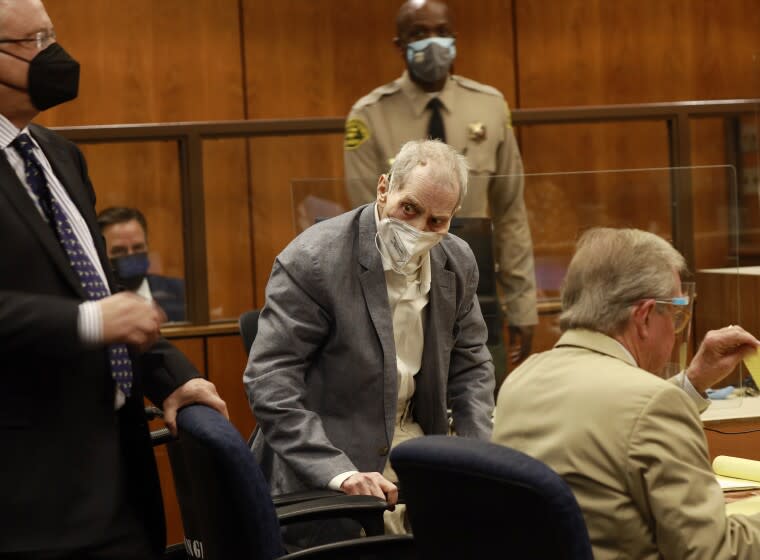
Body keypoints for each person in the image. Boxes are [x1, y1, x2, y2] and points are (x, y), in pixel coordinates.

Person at [0, 1, 227, 558]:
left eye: (51, 34)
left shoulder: (58, 155)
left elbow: (100, 288)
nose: (53, 53)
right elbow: (95, 312)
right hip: (27, 502)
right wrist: (87, 321)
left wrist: (172, 376)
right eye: (32, 42)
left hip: (117, 474)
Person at [245, 139, 494, 535]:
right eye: (408, 208)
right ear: (383, 189)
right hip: (329, 447)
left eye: (436, 221)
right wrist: (337, 471)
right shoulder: (313, 260)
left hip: (416, 436)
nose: (417, 229)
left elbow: (472, 367)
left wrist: (479, 455)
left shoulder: (457, 261)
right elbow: (269, 383)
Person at [491, 227, 760, 560]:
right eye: (676, 314)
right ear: (645, 316)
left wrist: (693, 380)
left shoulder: (521, 381)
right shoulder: (652, 404)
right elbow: (714, 553)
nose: (677, 331)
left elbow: (613, 416)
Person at [344, 0, 537, 365]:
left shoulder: (490, 106)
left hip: (476, 287)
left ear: (455, 38)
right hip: (400, 291)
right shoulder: (370, 116)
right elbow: (369, 224)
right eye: (419, 34)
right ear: (400, 45)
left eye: (442, 32)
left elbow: (511, 216)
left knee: (481, 401)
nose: (433, 42)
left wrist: (523, 304)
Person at [97, 206, 186, 322]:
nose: (131, 255)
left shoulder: (180, 293)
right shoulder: (94, 301)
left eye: (138, 248)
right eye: (119, 251)